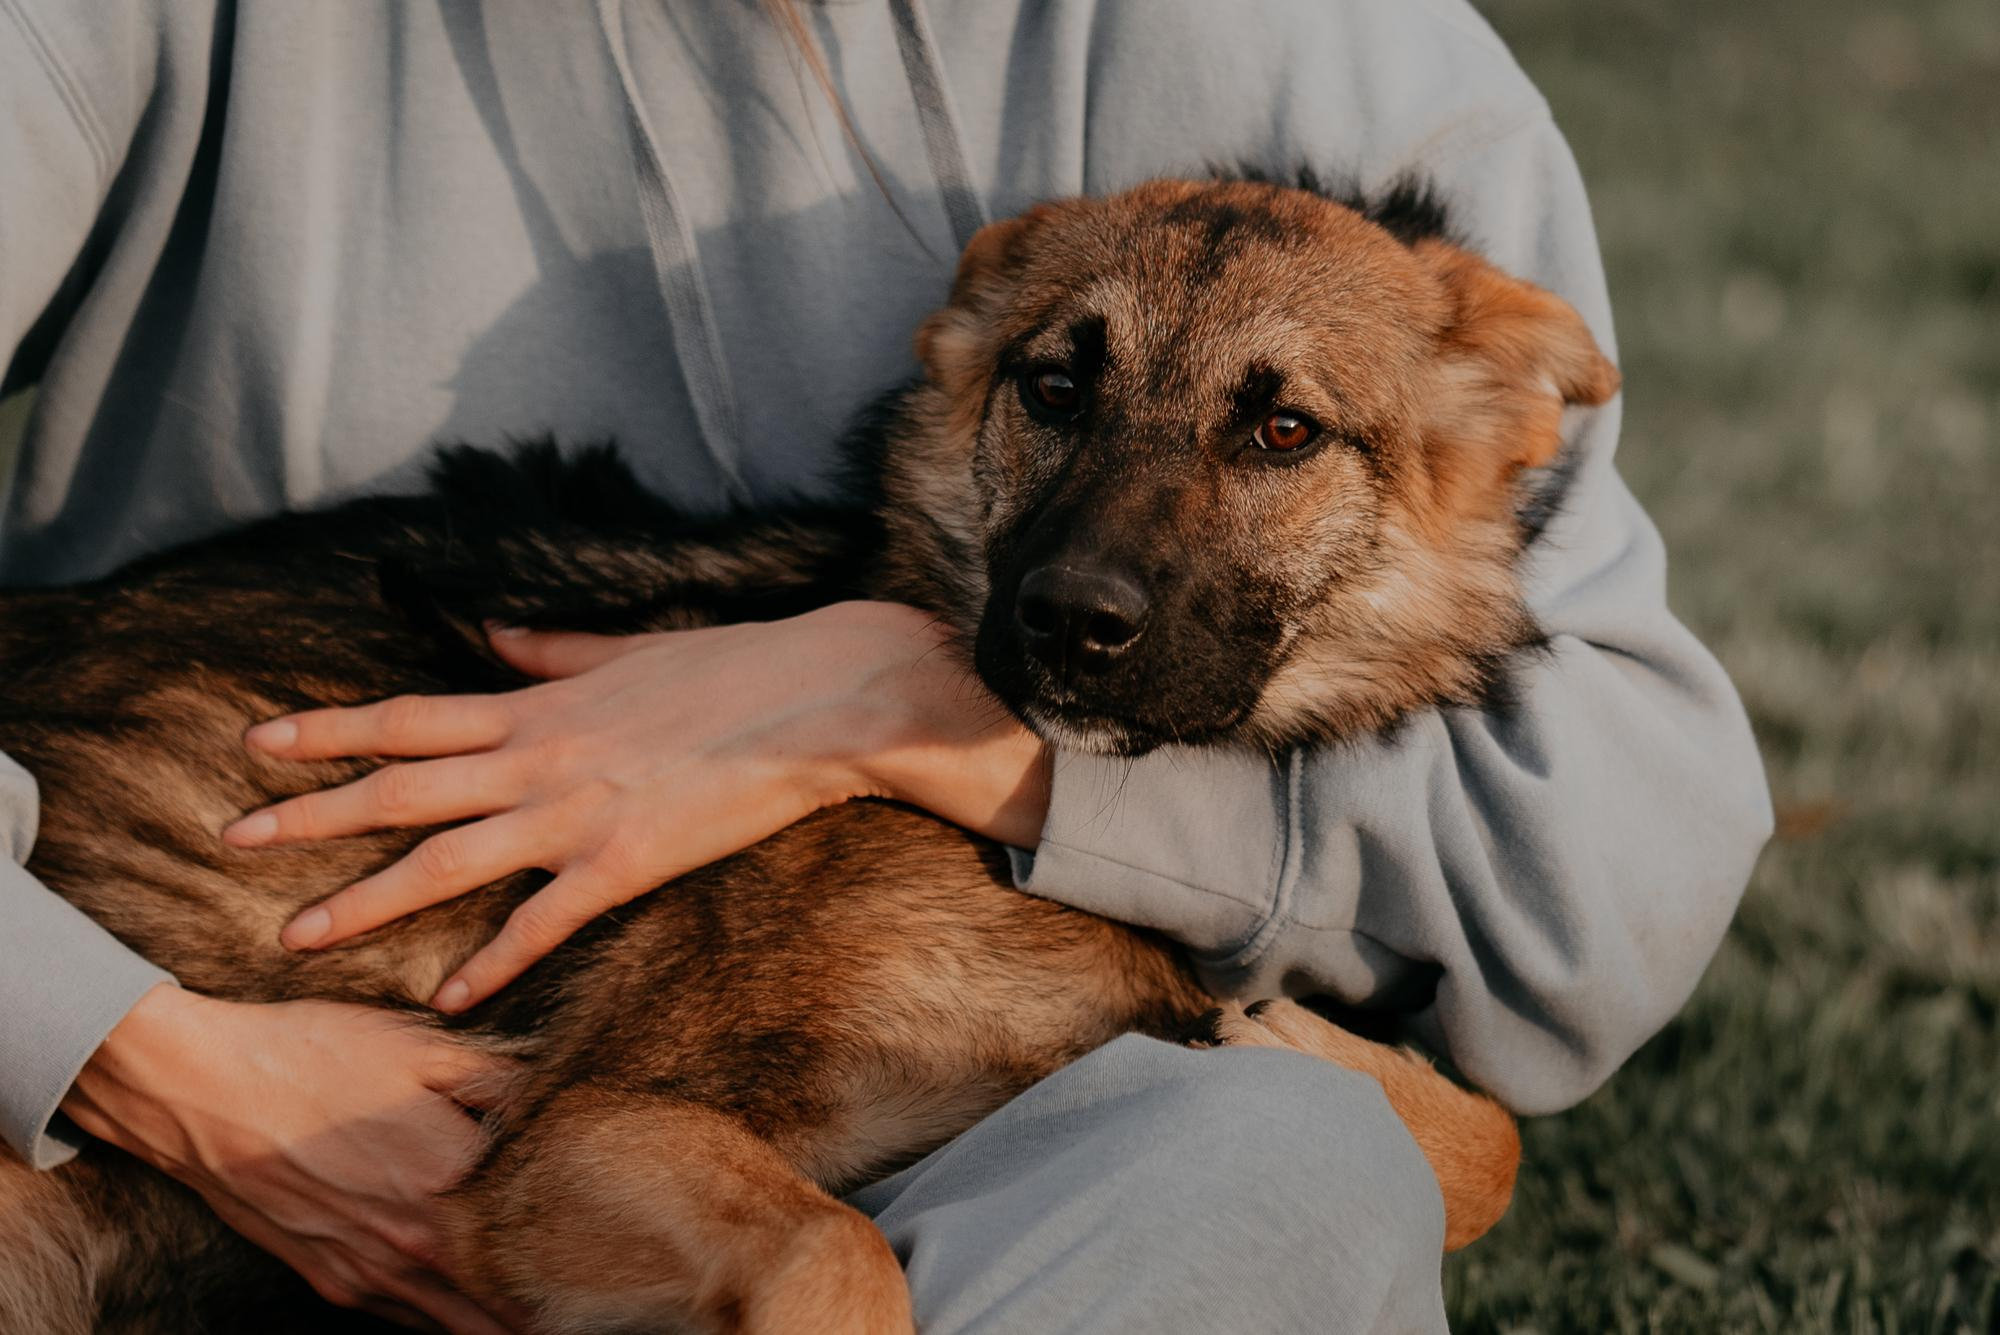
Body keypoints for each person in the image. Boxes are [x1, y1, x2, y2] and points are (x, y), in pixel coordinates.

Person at [0, 2, 1772, 1331]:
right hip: (94, 1042)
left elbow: (1626, 860)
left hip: (806, 1122)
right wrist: (132, 1049)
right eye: (1055, 395)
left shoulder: (1318, 54)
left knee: (1293, 1174)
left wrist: (912, 716)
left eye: (1279, 432)